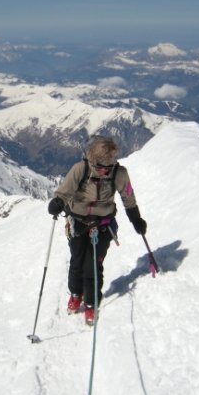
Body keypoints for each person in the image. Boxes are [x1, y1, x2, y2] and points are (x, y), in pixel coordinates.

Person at [47, 136, 147, 325]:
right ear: (93, 161)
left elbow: (128, 198)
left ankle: (91, 303)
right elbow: (65, 190)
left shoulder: (119, 173)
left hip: (103, 225)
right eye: (100, 167)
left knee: (92, 264)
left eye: (107, 168)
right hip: (77, 221)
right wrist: (58, 201)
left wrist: (136, 219)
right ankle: (76, 294)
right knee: (77, 261)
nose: (103, 172)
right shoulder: (81, 169)